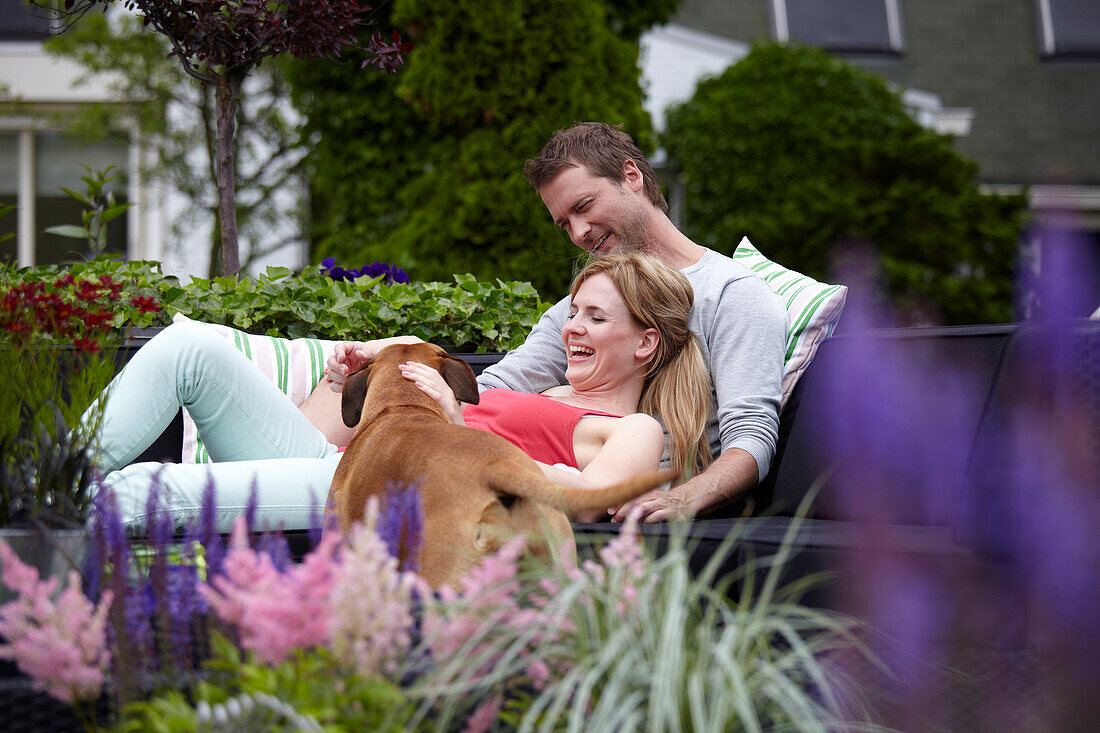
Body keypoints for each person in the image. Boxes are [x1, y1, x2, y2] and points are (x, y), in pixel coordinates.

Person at [93, 254, 710, 531]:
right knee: (189, 350)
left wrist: (456, 430)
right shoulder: (533, 391)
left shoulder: (636, 429)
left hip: (391, 489)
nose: (571, 329)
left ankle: (35, 521)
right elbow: (322, 444)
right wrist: (342, 390)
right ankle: (37, 486)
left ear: (646, 343)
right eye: (573, 314)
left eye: (596, 319)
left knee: (131, 491)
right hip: (343, 465)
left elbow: (586, 501)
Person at [475, 122, 788, 523]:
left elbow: (751, 436)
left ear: (631, 176)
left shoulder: (731, 294)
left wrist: (684, 498)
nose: (579, 233)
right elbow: (495, 388)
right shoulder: (578, 309)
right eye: (565, 223)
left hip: (635, 511)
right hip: (546, 487)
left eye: (583, 206)